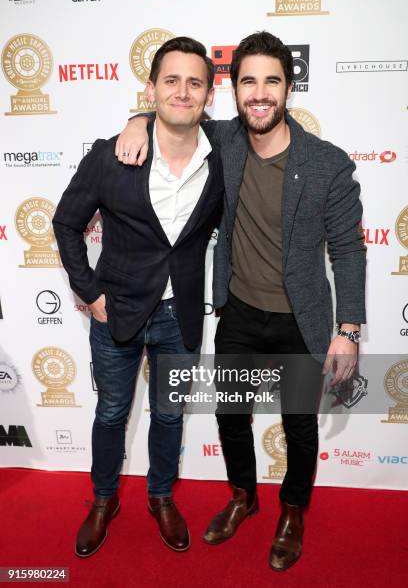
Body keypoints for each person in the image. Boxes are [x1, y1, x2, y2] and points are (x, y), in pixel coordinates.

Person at [115, 31, 366, 571]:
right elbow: (172, 112)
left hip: (301, 321)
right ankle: (244, 497)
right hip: (239, 313)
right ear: (232, 91)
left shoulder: (328, 164)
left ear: (288, 89)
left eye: (271, 81)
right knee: (232, 416)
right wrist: (136, 120)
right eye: (248, 80)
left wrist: (348, 330)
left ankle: (292, 510)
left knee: (298, 425)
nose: (259, 93)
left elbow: (347, 250)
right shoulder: (224, 141)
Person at [52, 37, 224, 557]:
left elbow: (274, 127)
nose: (182, 91)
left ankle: (160, 495)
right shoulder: (113, 154)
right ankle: (104, 500)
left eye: (194, 82)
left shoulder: (225, 154)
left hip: (182, 315)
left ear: (208, 94)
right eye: (170, 80)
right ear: (150, 88)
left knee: (169, 416)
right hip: (117, 311)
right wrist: (89, 292)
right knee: (111, 413)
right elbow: (65, 223)